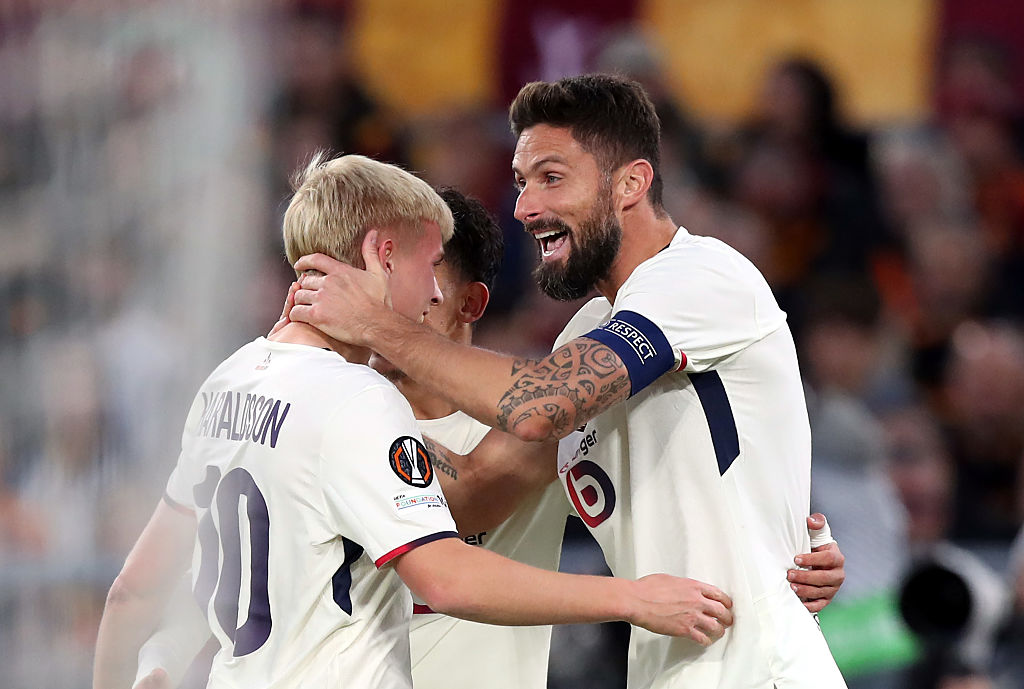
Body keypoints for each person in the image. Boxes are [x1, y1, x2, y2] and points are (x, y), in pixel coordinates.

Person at [129, 187, 845, 689]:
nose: (403, 301)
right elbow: (217, 586)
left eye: (420, 279)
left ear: (468, 301)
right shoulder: (319, 425)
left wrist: (780, 542)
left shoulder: (519, 424)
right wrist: (160, 654)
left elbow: (664, 457)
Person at [289, 75, 849, 688]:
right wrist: (325, 410)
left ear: (631, 183)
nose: (524, 207)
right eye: (521, 182)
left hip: (757, 667)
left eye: (551, 178)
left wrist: (373, 323)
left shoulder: (702, 279)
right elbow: (475, 490)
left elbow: (540, 404)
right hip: (675, 667)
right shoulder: (589, 331)